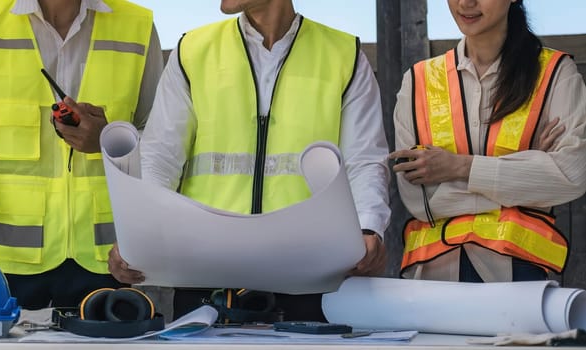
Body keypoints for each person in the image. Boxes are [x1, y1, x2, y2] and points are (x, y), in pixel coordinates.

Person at [109, 0, 391, 321]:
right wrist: (139, 237)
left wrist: (369, 228)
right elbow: (160, 157)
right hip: (206, 277)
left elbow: (364, 159)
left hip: (307, 276)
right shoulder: (193, 51)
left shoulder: (344, 55)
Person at [0, 0, 163, 309]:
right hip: (8, 268)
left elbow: (160, 147)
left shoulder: (137, 27)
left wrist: (108, 139)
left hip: (110, 263)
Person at [390, 0, 586, 282]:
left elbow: (571, 175)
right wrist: (528, 172)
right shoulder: (418, 80)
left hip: (520, 275)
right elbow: (421, 200)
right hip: (435, 281)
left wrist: (459, 167)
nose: (466, 2)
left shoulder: (555, 73)